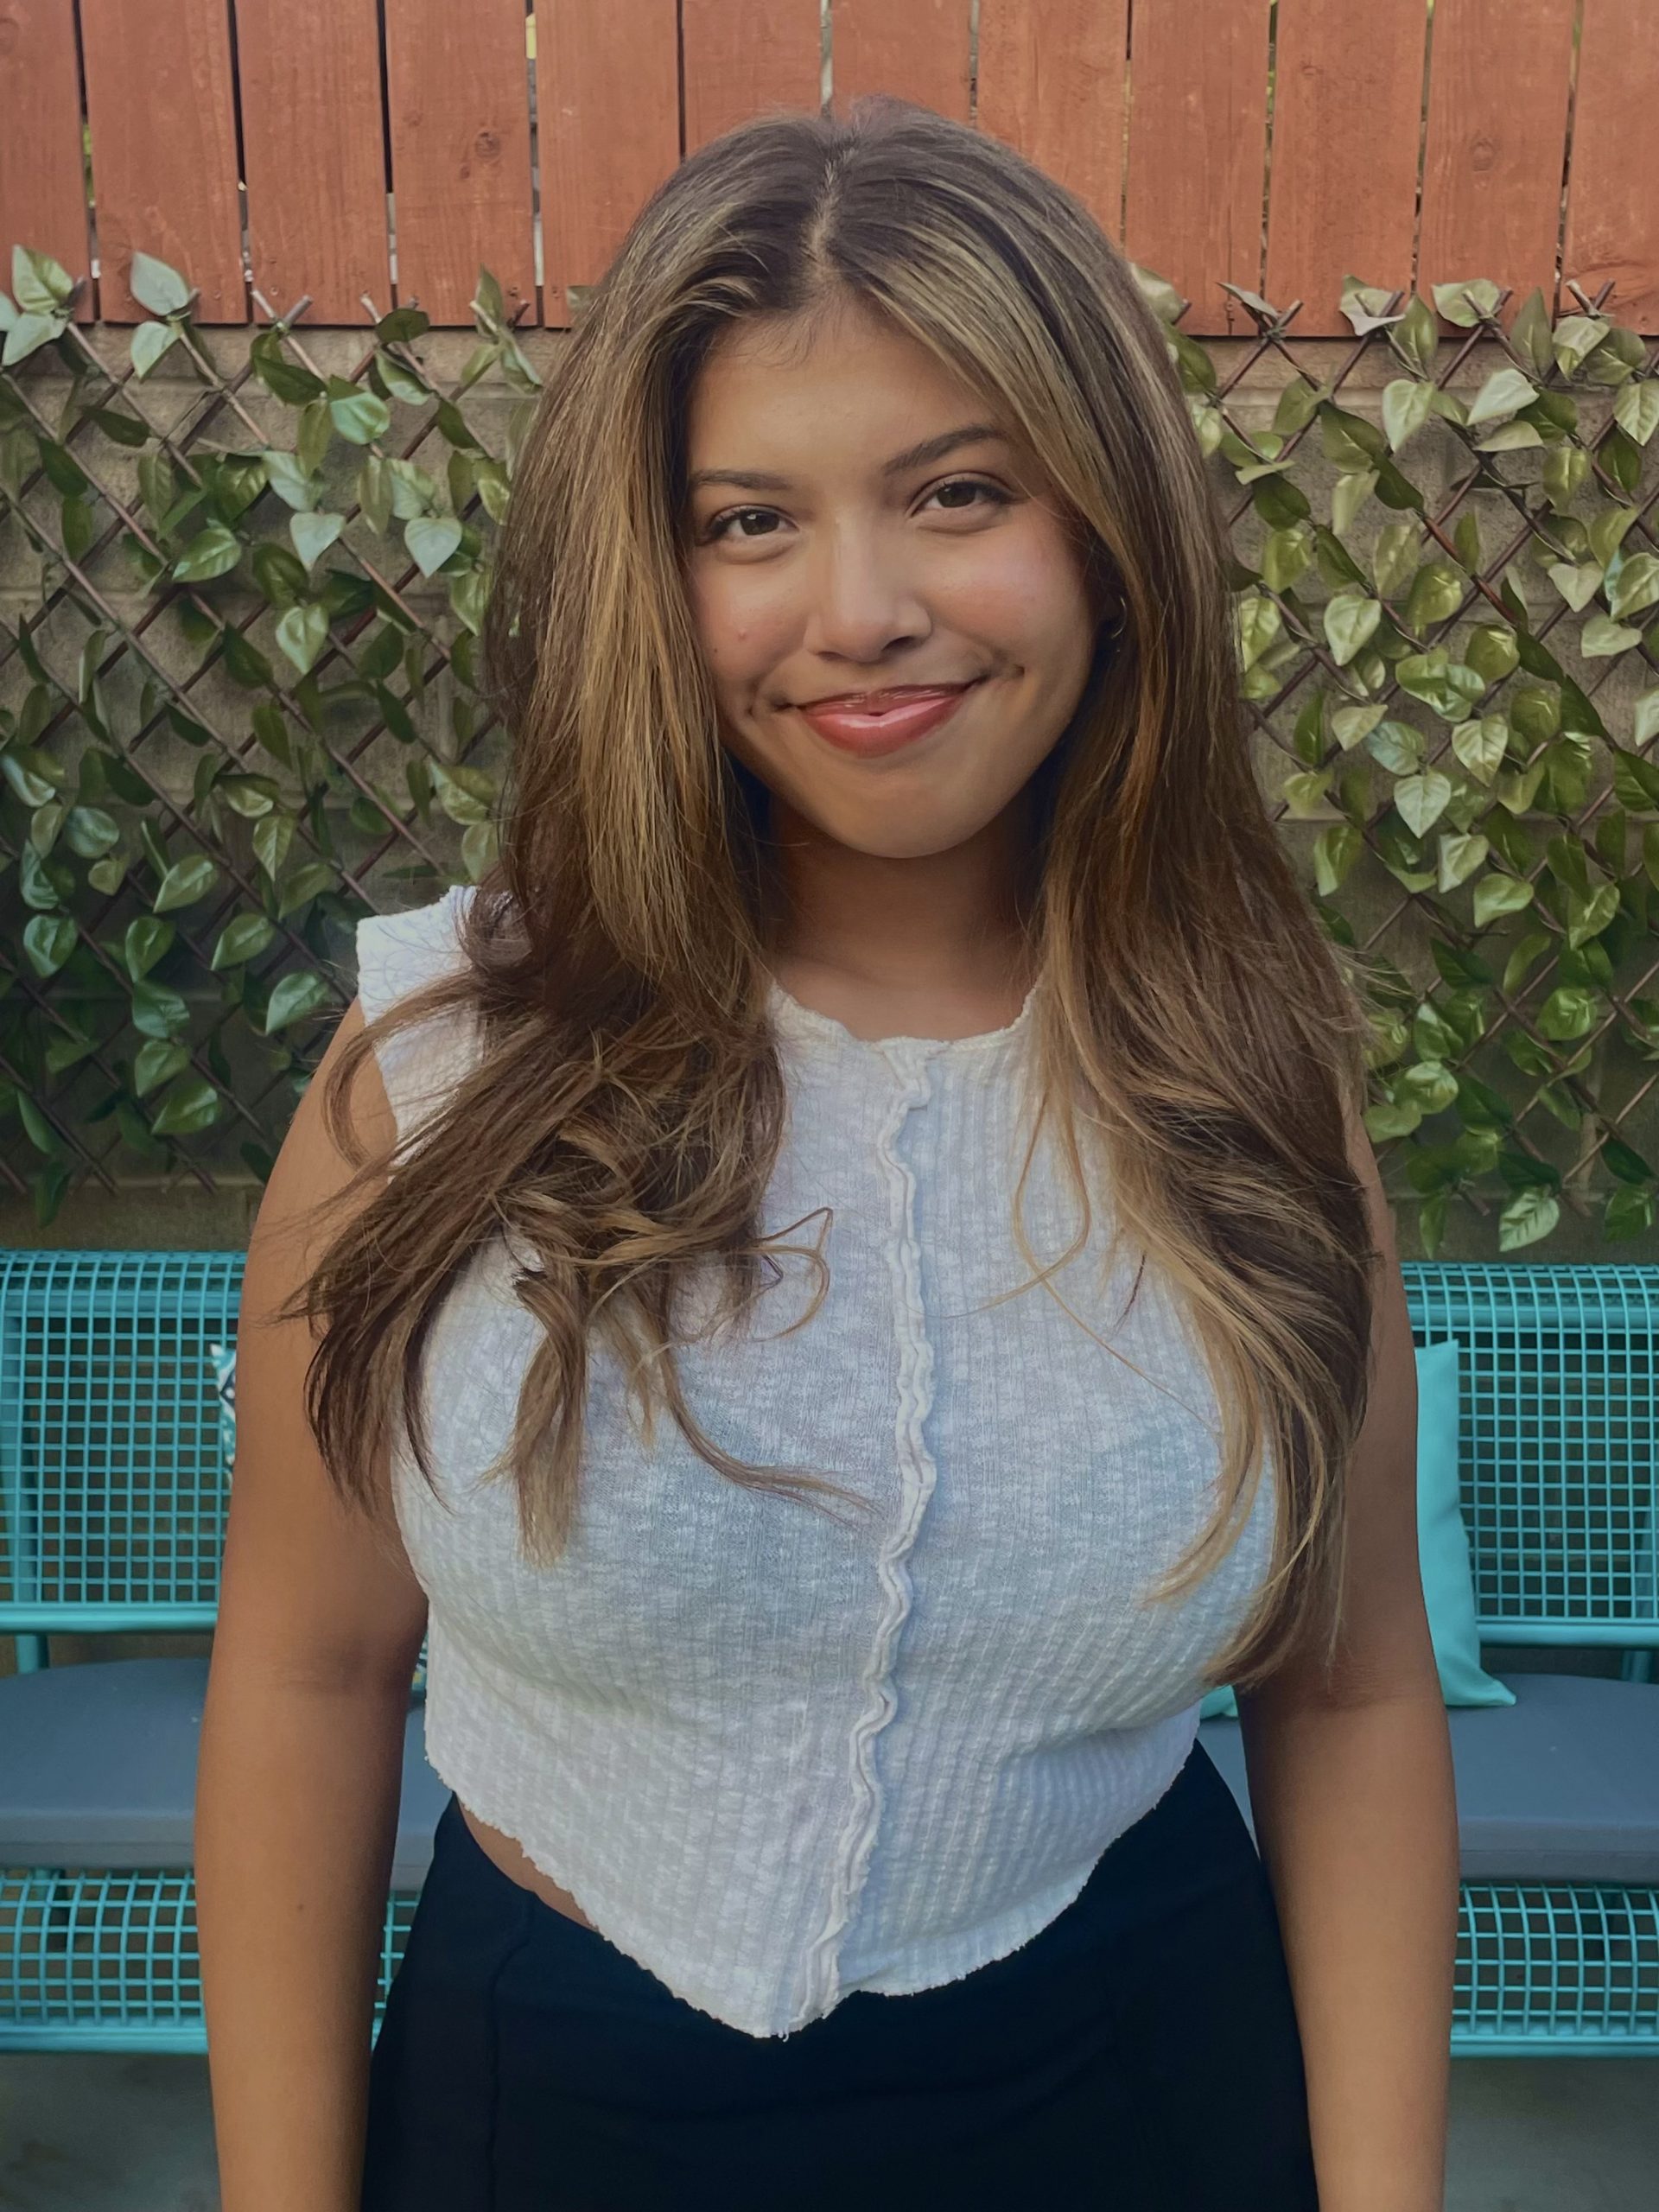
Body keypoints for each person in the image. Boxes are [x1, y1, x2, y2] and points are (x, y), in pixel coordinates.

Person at [195, 93, 1458, 2212]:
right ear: (646, 568)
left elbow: (1345, 1693)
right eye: (744, 520)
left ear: (1109, 528)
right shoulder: (438, 1068)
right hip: (557, 2104)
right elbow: (312, 1669)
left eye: (958, 490)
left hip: (1142, 2077)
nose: (856, 608)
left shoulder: (1250, 1078)